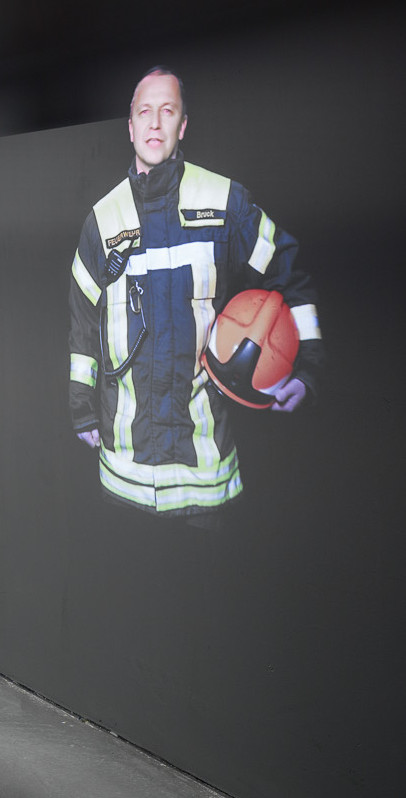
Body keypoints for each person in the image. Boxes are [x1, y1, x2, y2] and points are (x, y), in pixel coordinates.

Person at [68, 67, 323, 516]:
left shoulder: (227, 202)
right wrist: (81, 409)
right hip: (122, 472)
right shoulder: (102, 221)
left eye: (167, 111)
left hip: (207, 478)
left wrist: (307, 368)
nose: (154, 122)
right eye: (144, 112)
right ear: (129, 128)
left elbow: (287, 270)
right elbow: (83, 322)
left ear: (182, 125)